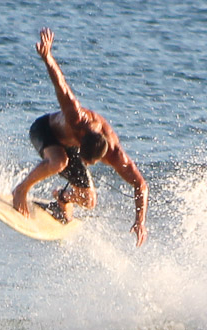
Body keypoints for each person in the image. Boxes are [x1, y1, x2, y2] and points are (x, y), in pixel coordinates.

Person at [11, 28, 149, 246]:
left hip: (70, 148)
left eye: (89, 163)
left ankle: (62, 199)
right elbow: (62, 86)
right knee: (59, 161)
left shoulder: (115, 153)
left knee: (88, 200)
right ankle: (21, 189)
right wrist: (47, 57)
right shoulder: (77, 117)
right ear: (82, 140)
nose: (85, 164)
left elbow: (140, 185)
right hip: (44, 131)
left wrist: (140, 221)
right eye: (85, 159)